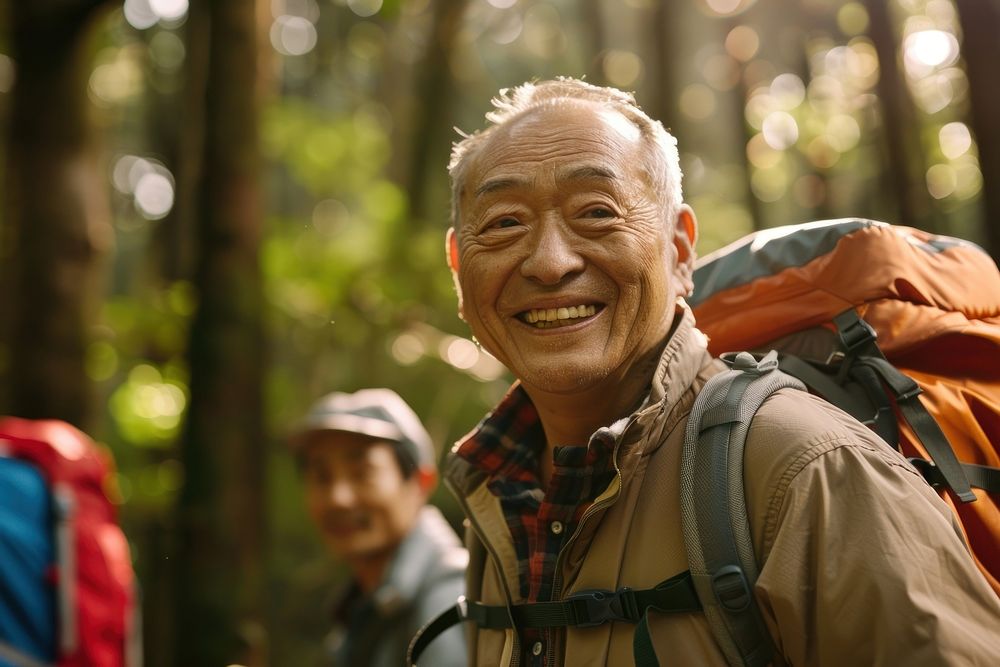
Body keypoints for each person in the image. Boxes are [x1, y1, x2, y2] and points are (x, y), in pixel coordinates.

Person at [438, 77, 1000, 665]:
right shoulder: (499, 493)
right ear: (458, 267)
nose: (551, 263)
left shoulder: (809, 470)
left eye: (596, 212)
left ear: (680, 251)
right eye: (504, 223)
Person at [290, 388, 468, 666]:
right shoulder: (362, 607)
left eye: (362, 474)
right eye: (321, 477)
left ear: (420, 483)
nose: (338, 498)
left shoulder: (449, 600)